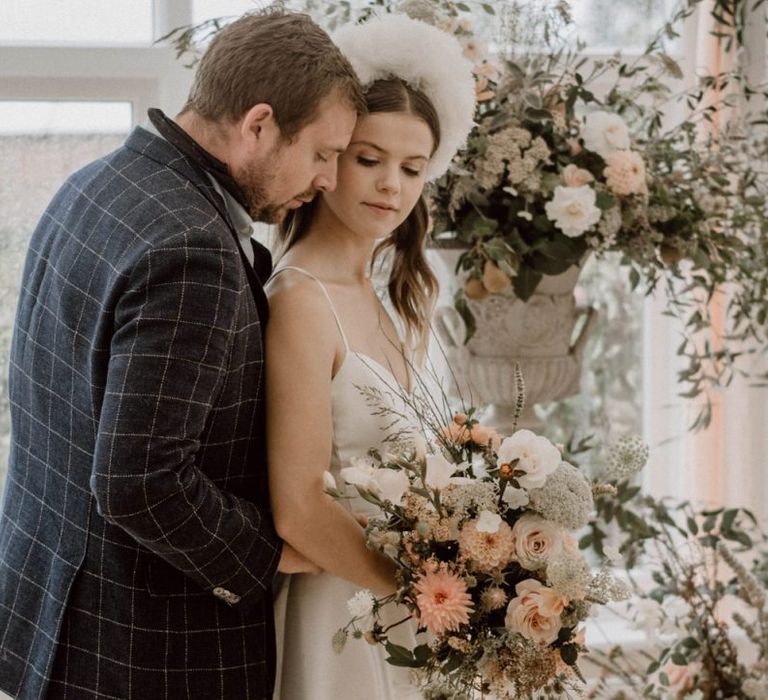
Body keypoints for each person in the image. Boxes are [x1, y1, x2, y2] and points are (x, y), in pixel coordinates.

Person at [0, 9, 364, 700]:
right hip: (144, 655)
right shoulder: (191, 250)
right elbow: (141, 480)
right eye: (323, 153)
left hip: (53, 614)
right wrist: (268, 555)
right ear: (257, 125)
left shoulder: (94, 183)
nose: (329, 179)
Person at [266, 14, 476, 699]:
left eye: (412, 168)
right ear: (328, 162)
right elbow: (296, 507)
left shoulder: (394, 293)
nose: (392, 184)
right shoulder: (299, 299)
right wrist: (433, 592)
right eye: (369, 159)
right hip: (343, 611)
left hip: (412, 606)